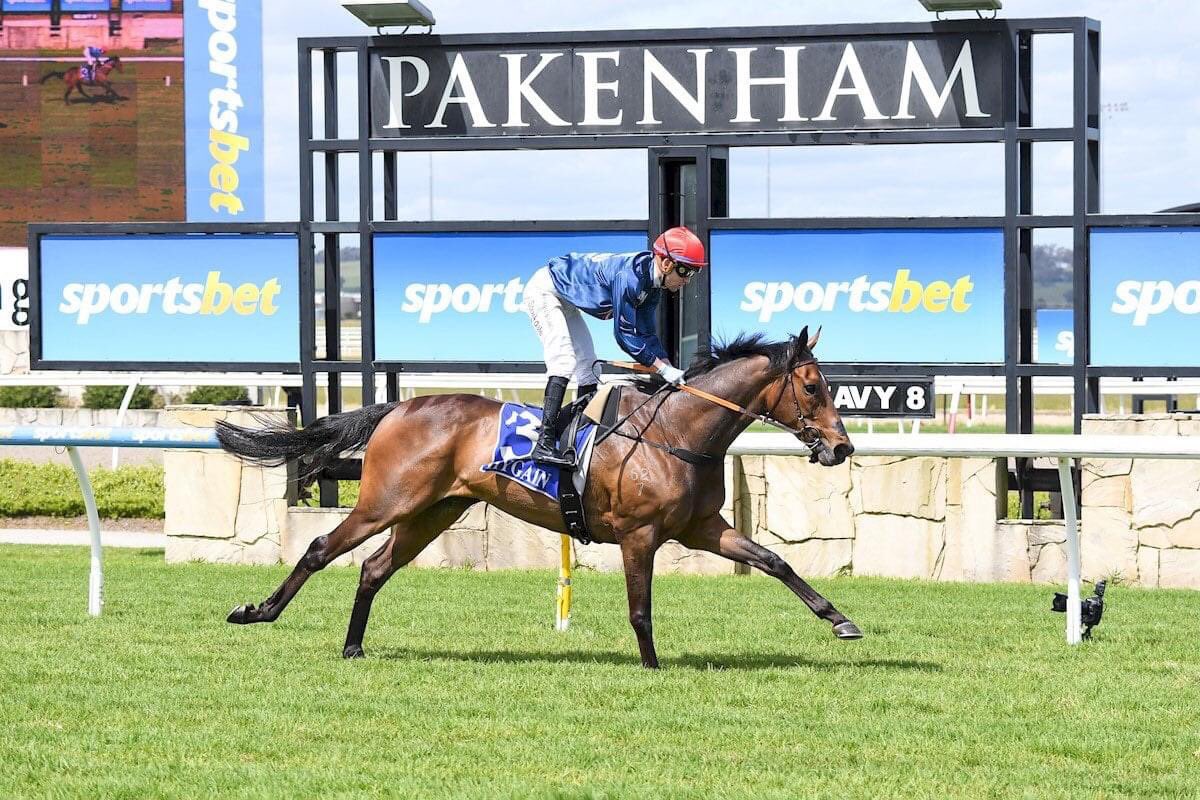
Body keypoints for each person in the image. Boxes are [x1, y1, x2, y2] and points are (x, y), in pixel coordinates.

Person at [522, 225, 706, 466]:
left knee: (589, 368)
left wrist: (669, 367)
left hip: (566, 298)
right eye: (685, 271)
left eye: (692, 273)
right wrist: (661, 368)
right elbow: (624, 334)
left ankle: (575, 439)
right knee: (564, 360)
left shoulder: (653, 286)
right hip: (545, 290)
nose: (687, 280)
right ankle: (544, 444)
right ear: (666, 263)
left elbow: (647, 334)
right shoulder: (630, 278)